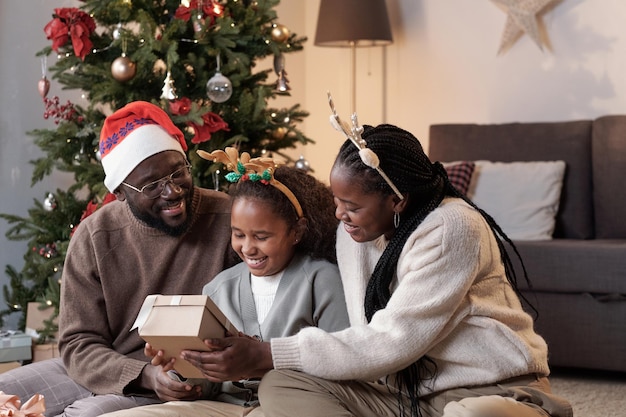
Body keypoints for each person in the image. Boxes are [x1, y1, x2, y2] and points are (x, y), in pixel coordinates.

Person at [170, 99, 574, 417]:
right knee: (282, 385)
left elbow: (393, 340)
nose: (338, 215)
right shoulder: (356, 235)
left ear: (396, 200)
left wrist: (269, 351)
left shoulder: (453, 227)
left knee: (473, 414)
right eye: (335, 201)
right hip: (408, 400)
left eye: (351, 205)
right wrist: (239, 351)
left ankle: (530, 410)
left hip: (487, 388)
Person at [0, 101, 238, 417]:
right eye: (152, 185)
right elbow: (78, 343)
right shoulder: (94, 236)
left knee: (84, 414)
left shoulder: (228, 218)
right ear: (120, 193)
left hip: (178, 378)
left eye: (178, 172)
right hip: (107, 368)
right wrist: (142, 374)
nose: (171, 191)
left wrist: (176, 375)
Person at [98, 148, 350, 417]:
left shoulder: (321, 280)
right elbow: (208, 386)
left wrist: (264, 363)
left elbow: (343, 363)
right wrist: (182, 371)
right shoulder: (219, 287)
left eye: (262, 237)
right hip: (224, 408)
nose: (248, 248)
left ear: (296, 231)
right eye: (238, 234)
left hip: (288, 406)